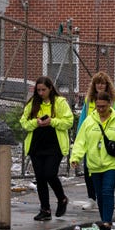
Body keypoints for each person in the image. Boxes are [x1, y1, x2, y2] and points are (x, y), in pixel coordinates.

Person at [70, 91, 115, 230]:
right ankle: (104, 221)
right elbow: (81, 141)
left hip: (112, 163)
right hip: (94, 164)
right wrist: (76, 157)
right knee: (99, 194)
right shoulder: (89, 121)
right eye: (98, 106)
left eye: (103, 106)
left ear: (109, 105)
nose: (100, 109)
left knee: (107, 191)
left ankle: (106, 223)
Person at [20, 76, 74, 221]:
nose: (41, 93)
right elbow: (24, 122)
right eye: (38, 90)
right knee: (40, 178)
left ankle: (62, 198)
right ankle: (45, 209)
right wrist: (36, 123)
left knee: (50, 174)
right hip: (37, 145)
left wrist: (52, 121)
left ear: (50, 89)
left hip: (54, 145)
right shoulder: (33, 103)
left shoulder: (60, 102)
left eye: (44, 90)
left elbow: (69, 122)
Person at [77, 72, 115, 211]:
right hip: (91, 137)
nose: (100, 86)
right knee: (88, 169)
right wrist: (80, 136)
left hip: (106, 139)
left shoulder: (114, 100)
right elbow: (83, 119)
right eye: (98, 83)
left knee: (105, 169)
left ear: (107, 85)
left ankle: (103, 196)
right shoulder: (89, 100)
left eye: (103, 83)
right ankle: (92, 198)